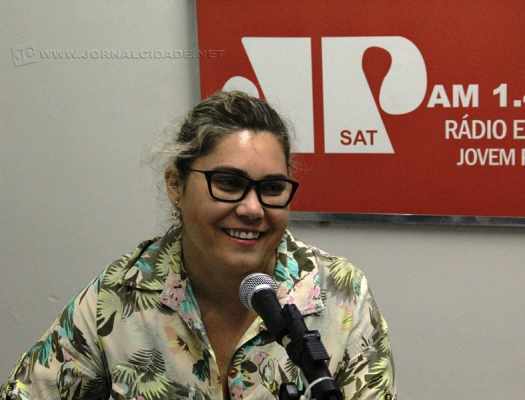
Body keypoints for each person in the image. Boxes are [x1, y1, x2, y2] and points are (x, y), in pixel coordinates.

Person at [1, 91, 396, 400]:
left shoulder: (341, 294)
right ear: (176, 185)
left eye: (272, 188)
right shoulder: (119, 296)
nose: (252, 208)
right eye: (228, 183)